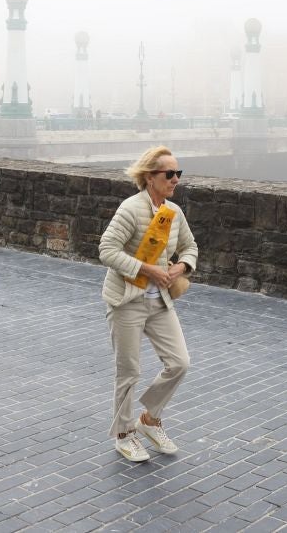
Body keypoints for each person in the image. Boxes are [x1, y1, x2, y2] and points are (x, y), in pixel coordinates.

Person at [98, 145, 198, 463]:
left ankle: (149, 420)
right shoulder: (130, 209)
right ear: (149, 177)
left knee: (179, 362)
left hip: (159, 302)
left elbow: (190, 247)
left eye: (178, 173)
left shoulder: (174, 213)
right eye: (169, 174)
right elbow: (106, 250)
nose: (176, 179)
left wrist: (181, 267)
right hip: (126, 301)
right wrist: (146, 269)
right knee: (128, 371)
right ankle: (124, 435)